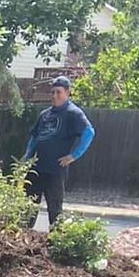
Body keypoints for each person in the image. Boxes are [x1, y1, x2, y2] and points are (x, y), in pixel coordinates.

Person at [21, 75, 95, 226]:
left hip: (55, 170)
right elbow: (35, 138)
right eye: (52, 92)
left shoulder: (73, 113)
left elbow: (89, 132)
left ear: (67, 93)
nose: (54, 96)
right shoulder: (45, 114)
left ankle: (54, 243)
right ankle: (24, 238)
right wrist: (27, 156)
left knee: (55, 211)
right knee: (28, 207)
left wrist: (74, 155)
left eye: (58, 92)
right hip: (35, 169)